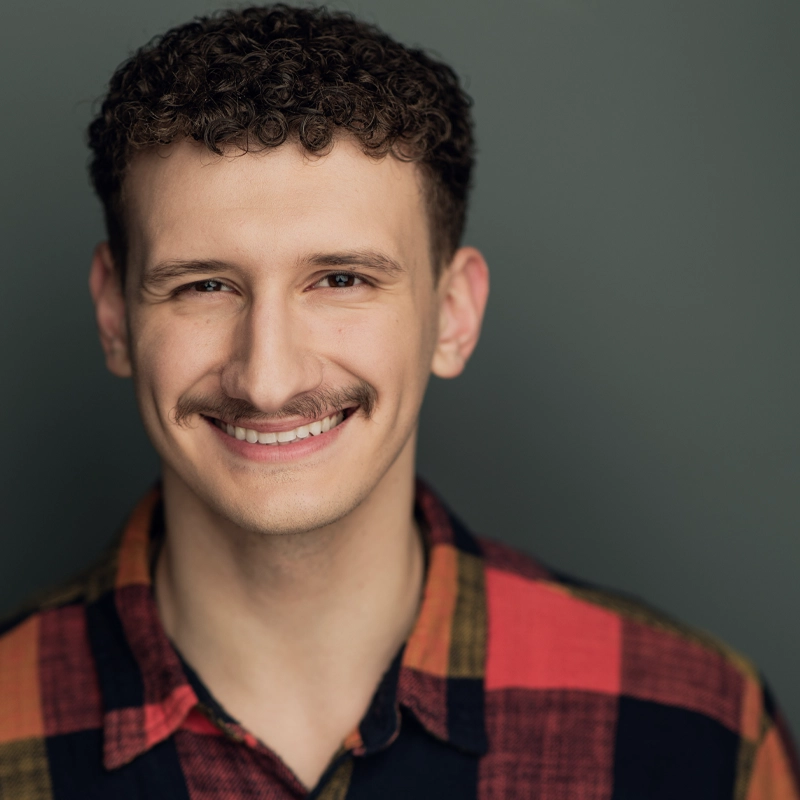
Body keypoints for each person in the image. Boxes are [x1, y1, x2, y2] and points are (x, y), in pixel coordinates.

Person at [0, 4, 797, 798]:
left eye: (342, 280)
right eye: (204, 285)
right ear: (114, 316)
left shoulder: (701, 728)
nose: (268, 378)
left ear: (454, 315)